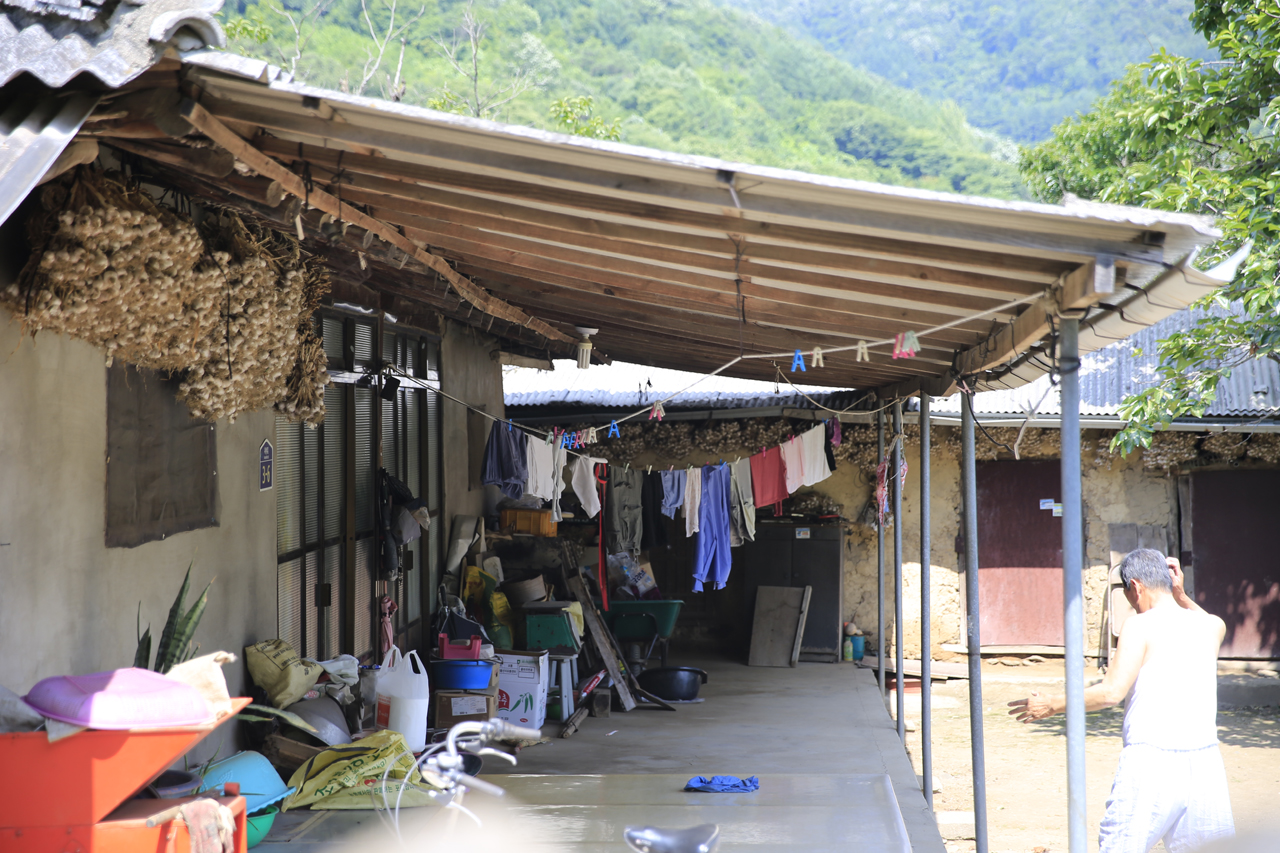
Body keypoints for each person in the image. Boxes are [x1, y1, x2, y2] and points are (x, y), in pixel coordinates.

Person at [1007, 549, 1234, 853]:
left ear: (1136, 587)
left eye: (1127, 591)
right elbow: (1210, 622)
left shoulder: (1140, 626)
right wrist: (1180, 594)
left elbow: (1111, 692)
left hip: (1151, 761)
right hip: (1206, 763)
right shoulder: (1210, 626)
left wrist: (1053, 704)